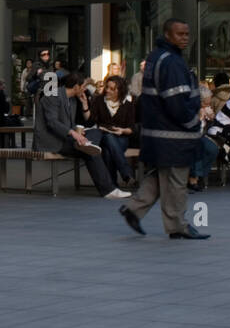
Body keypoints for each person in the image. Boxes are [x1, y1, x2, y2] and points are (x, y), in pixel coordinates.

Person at [119, 20, 210, 239]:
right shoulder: (172, 62)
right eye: (180, 34)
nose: (185, 38)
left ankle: (133, 209)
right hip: (173, 134)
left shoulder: (156, 57)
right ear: (168, 35)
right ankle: (178, 226)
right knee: (177, 181)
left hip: (158, 132)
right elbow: (177, 102)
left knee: (162, 177)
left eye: (187, 34)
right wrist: (192, 123)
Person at [34, 71, 130, 199]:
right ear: (76, 87)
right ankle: (109, 189)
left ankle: (88, 146)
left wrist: (79, 131)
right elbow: (52, 123)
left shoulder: (73, 101)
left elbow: (72, 124)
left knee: (97, 134)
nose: (85, 89)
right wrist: (74, 133)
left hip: (67, 139)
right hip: (52, 141)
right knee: (90, 150)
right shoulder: (52, 96)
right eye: (83, 86)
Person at [89, 75, 136, 188]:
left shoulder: (128, 105)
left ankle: (112, 185)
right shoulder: (98, 101)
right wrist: (101, 127)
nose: (107, 91)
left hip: (121, 137)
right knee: (108, 137)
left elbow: (131, 128)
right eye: (107, 87)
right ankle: (126, 173)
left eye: (112, 89)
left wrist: (122, 130)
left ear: (120, 91)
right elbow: (92, 121)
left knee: (108, 151)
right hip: (103, 135)